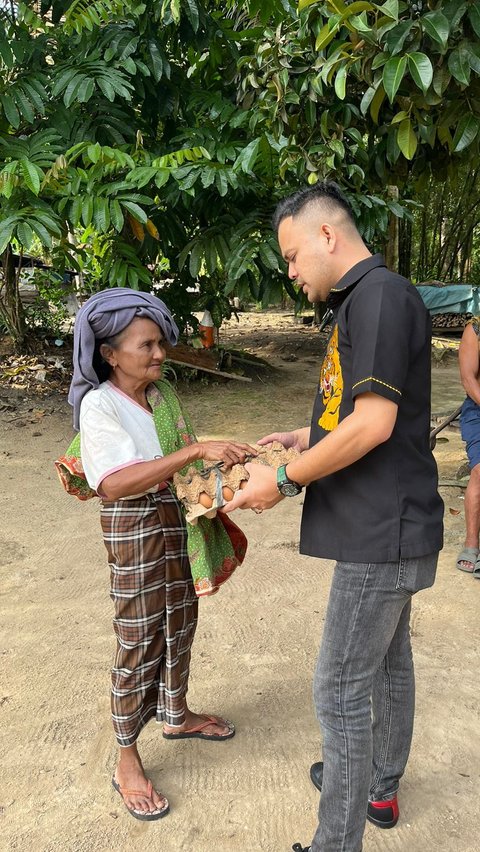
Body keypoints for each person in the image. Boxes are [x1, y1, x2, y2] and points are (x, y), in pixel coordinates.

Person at [224, 182, 444, 852]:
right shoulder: (371, 300)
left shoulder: (375, 296)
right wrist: (305, 437)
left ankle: (334, 843)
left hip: (383, 533)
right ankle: (376, 784)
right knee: (385, 666)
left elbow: (375, 425)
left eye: (291, 256)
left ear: (327, 236)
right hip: (392, 529)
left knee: (339, 690)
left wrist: (284, 481)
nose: (290, 272)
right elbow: (361, 415)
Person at [61, 288, 254, 822]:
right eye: (146, 346)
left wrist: (233, 472)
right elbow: (115, 484)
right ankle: (126, 756)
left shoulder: (162, 395)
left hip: (174, 519)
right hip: (135, 526)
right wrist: (193, 451)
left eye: (160, 344)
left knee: (179, 619)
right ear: (109, 353)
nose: (159, 354)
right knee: (139, 635)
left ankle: (176, 713)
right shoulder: (100, 406)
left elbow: (181, 459)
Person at [457, 317, 480, 576]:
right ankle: (472, 543)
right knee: (479, 470)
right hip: (478, 409)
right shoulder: (475, 329)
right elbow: (469, 379)